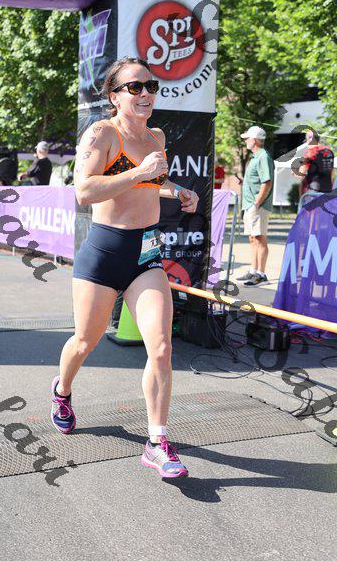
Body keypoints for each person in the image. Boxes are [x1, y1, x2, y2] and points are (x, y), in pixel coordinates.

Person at [50, 56, 199, 478]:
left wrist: (177, 190)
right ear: (115, 96)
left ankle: (156, 441)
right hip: (104, 253)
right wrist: (140, 172)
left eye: (150, 86)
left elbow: (152, 182)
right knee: (85, 340)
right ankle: (62, 391)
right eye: (135, 87)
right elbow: (83, 191)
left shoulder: (156, 136)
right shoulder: (102, 133)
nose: (145, 93)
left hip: (145, 255)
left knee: (162, 347)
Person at [236, 125, 274, 287]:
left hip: (257, 205)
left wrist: (257, 202)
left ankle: (261, 274)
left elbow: (267, 182)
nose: (246, 141)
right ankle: (254, 270)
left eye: (248, 138)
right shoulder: (256, 156)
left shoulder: (263, 156)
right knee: (253, 238)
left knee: (259, 238)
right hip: (251, 204)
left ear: (255, 140)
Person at [295, 130, 334, 196]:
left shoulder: (310, 153)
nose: (307, 144)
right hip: (328, 190)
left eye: (307, 141)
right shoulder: (329, 151)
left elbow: (300, 175)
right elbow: (331, 172)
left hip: (314, 192)